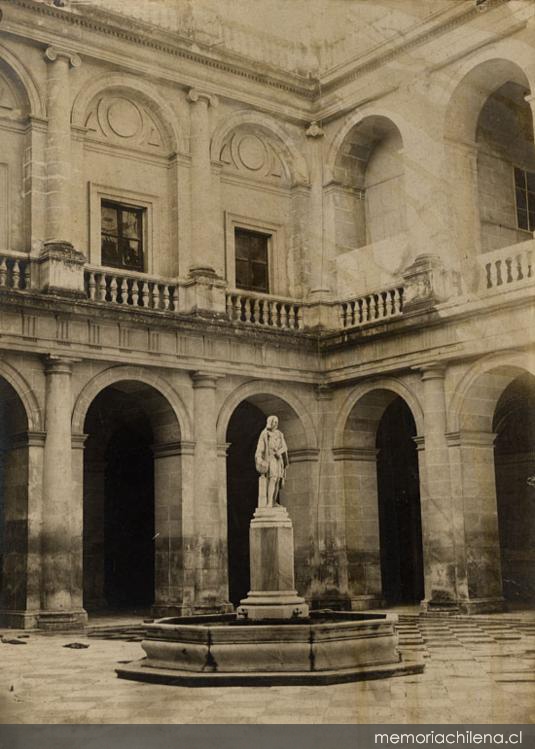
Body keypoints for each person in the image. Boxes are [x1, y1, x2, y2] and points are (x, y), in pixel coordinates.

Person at [254, 415, 289, 507]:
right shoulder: (265, 434)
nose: (276, 424)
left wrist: (279, 452)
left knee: (277, 480)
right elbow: (260, 447)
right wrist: (259, 458)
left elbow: (284, 447)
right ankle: (269, 502)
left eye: (277, 422)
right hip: (270, 458)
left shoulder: (279, 434)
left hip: (278, 460)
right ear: (270, 423)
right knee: (272, 479)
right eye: (274, 422)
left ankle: (274, 501)